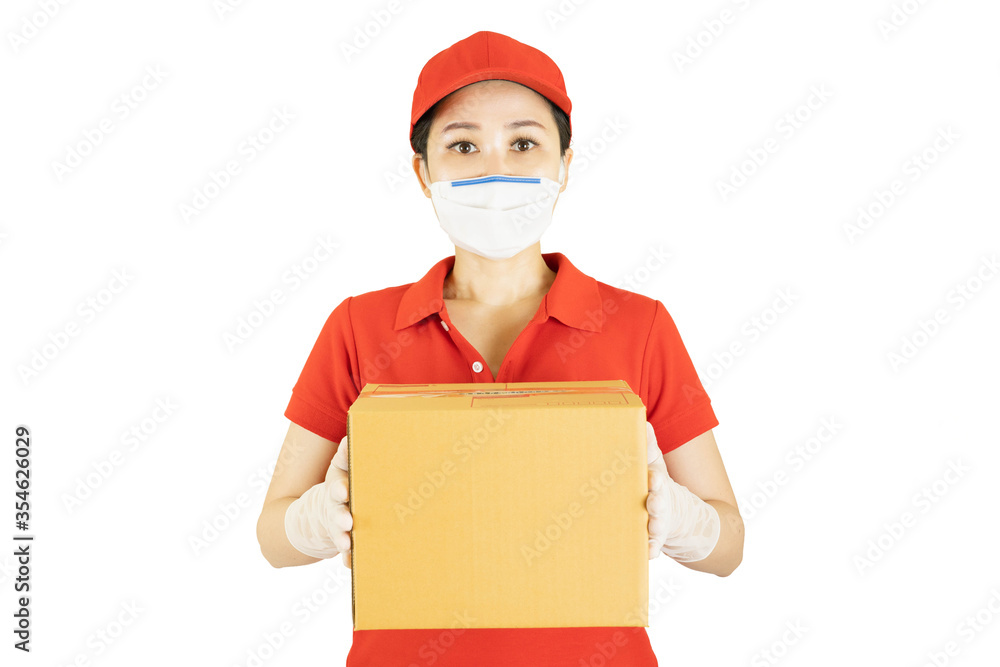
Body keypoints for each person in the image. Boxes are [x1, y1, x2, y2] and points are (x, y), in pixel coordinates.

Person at [256, 30, 744, 666]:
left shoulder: (639, 325)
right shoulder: (359, 327)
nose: (496, 169)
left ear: (564, 166)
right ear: (422, 172)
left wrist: (681, 519)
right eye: (463, 145)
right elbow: (274, 538)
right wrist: (318, 517)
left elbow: (728, 548)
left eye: (523, 142)